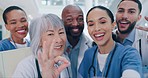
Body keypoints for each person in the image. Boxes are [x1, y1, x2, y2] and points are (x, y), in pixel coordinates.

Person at [78, 5, 143, 78]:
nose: (97, 28)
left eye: (102, 22)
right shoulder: (89, 54)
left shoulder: (129, 54)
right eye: (91, 24)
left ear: (113, 25)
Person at [12, 14, 72, 78]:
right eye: (50, 34)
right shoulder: (26, 67)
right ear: (38, 40)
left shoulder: (65, 60)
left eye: (61, 32)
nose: (59, 40)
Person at [112, 0, 148, 77]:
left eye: (131, 12)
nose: (124, 16)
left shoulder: (146, 38)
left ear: (139, 18)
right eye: (121, 11)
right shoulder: (107, 38)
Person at [61, 4, 92, 77]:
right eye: (69, 19)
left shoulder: (91, 46)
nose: (75, 24)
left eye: (80, 19)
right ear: (61, 22)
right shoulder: (56, 47)